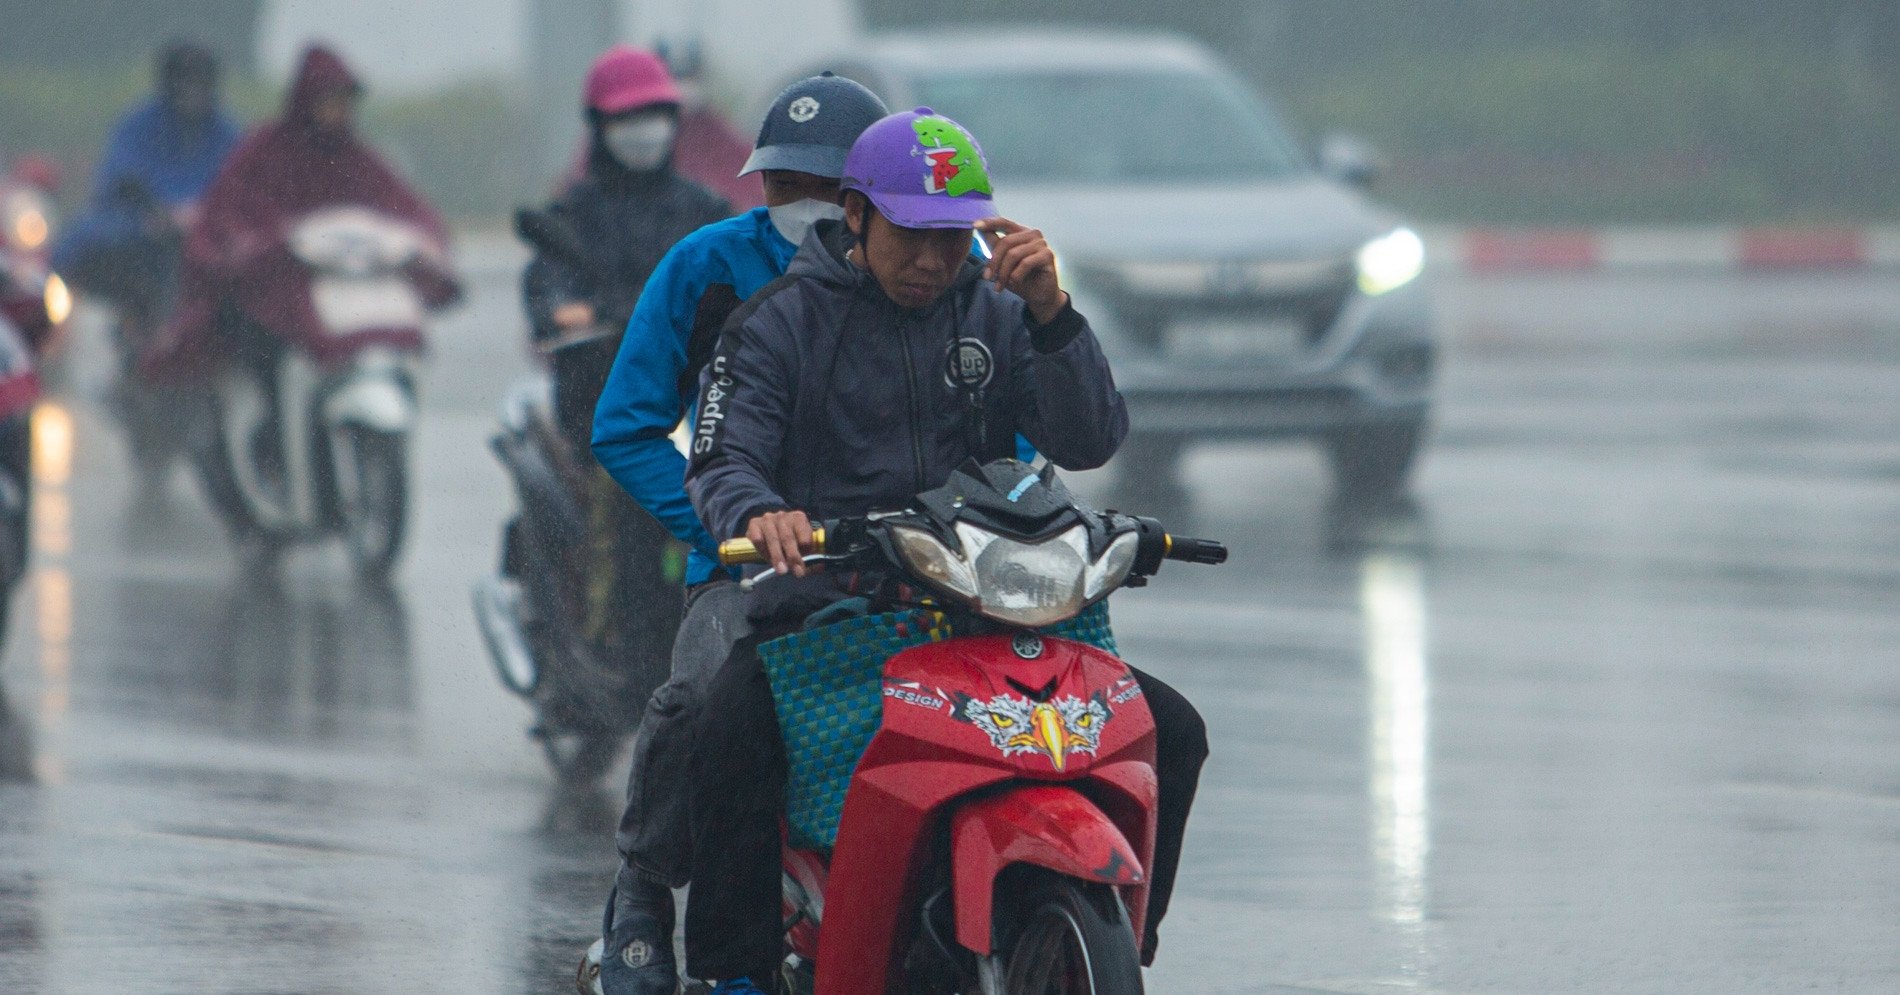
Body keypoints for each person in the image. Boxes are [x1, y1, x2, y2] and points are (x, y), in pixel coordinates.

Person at [680, 109, 1208, 992]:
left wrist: (1052, 313)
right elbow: (723, 454)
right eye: (912, 235)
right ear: (854, 214)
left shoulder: (1003, 313)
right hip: (828, 613)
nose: (933, 260)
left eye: (953, 237)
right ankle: (730, 976)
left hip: (989, 608)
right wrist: (760, 512)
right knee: (728, 728)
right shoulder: (778, 322)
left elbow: (1088, 438)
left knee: (1175, 732)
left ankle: (1108, 928)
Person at [582, 72, 888, 995]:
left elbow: (1014, 437)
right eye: (781, 186)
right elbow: (626, 424)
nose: (800, 207)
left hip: (897, 564)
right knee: (704, 702)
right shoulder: (709, 266)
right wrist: (726, 524)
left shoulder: (929, 276)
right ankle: (642, 891)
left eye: (826, 190)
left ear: (869, 202)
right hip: (749, 569)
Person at [151, 45, 457, 383]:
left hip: (343, 280)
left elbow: (405, 209)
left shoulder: (357, 159)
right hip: (274, 286)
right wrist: (258, 246)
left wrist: (428, 243)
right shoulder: (264, 151)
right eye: (327, 100)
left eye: (343, 101)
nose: (336, 110)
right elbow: (228, 215)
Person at [53, 41, 239, 341]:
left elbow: (239, 185)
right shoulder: (140, 126)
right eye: (184, 81)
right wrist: (158, 212)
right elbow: (120, 180)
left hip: (206, 244)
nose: (192, 92)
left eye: (199, 82)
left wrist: (199, 216)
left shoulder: (225, 132)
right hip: (140, 236)